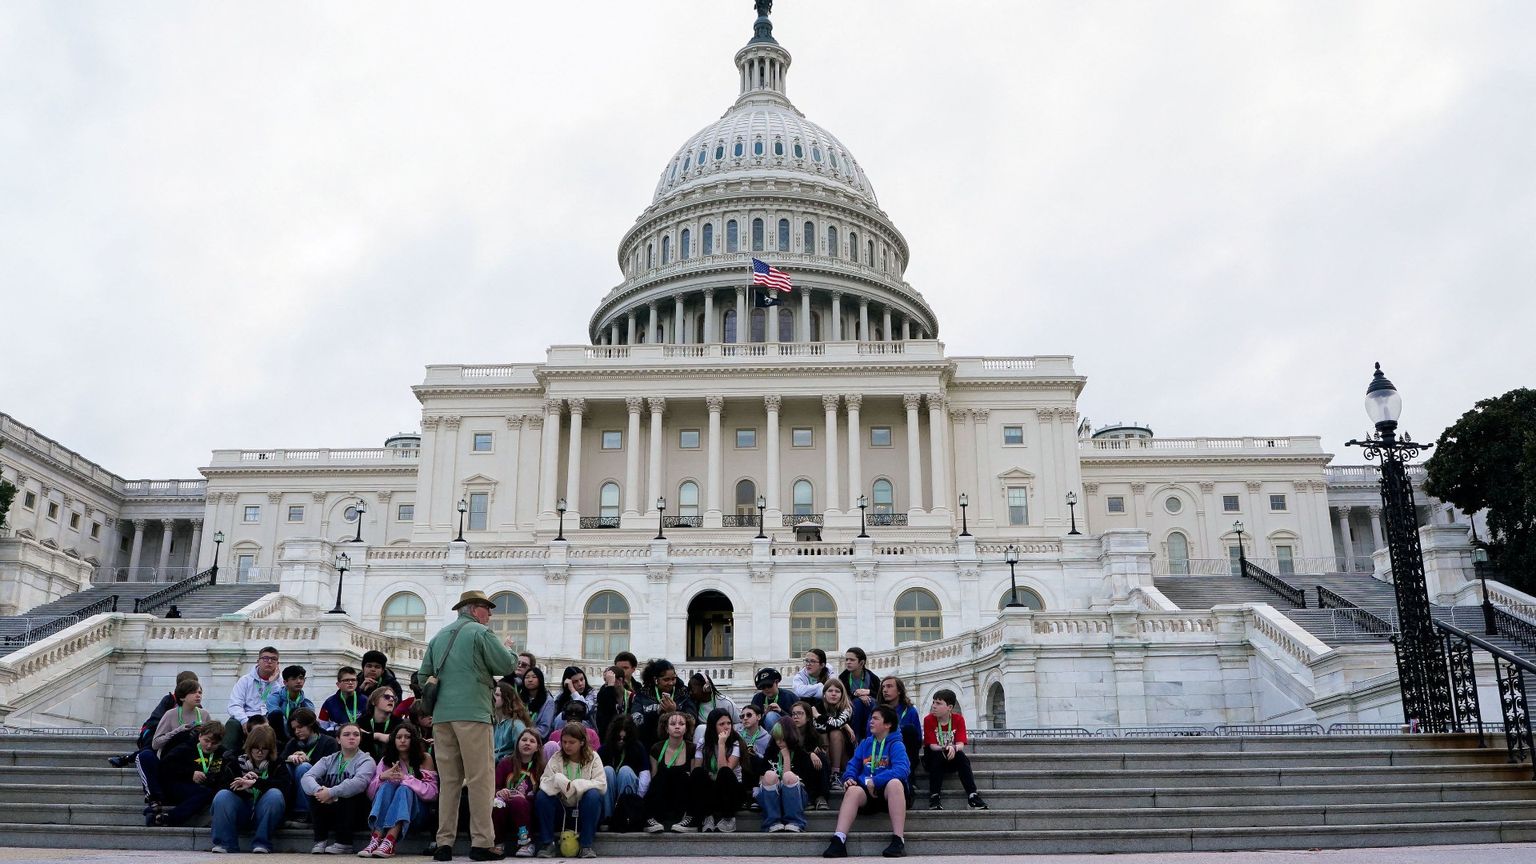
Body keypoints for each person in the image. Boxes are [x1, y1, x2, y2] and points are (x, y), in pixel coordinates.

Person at [417, 589, 516, 862]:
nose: (490, 614)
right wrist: (510, 648)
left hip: (442, 717)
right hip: (474, 714)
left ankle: (443, 843)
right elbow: (506, 664)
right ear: (474, 609)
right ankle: (482, 843)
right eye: (487, 608)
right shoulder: (480, 632)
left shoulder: (439, 636)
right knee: (480, 779)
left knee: (449, 781)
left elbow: (423, 676)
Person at [822, 705, 910, 859]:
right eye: (871, 718)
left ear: (888, 724)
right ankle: (839, 840)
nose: (871, 721)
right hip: (867, 794)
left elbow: (902, 769)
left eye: (875, 718)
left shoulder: (896, 744)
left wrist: (876, 781)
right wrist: (849, 778)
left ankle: (898, 840)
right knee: (852, 790)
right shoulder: (866, 743)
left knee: (895, 783)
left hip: (889, 794)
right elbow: (853, 765)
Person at [209, 724, 292, 854]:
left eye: (264, 749)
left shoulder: (277, 763)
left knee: (275, 794)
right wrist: (240, 783)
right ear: (249, 747)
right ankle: (225, 843)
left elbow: (285, 788)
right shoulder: (233, 760)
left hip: (264, 813)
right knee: (222, 795)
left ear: (270, 749)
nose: (259, 752)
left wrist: (255, 783)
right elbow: (220, 786)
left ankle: (262, 843)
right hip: (241, 811)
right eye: (256, 748)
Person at [363, 723, 440, 858]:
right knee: (386, 786)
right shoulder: (386, 760)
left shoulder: (425, 758)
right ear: (394, 740)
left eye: (407, 737)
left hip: (417, 816)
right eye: (399, 737)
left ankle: (390, 840)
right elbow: (371, 794)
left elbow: (433, 793)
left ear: (413, 739)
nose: (403, 740)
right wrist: (382, 777)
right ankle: (376, 838)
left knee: (405, 788)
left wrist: (406, 779)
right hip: (388, 814)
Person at [139, 677, 209, 823]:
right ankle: (154, 798)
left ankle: (166, 818)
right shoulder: (170, 714)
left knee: (205, 793)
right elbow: (155, 744)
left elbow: (211, 741)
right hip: (169, 764)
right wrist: (177, 731)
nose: (198, 695)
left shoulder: (204, 715)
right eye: (194, 692)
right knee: (145, 756)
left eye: (200, 692)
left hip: (191, 767)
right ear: (182, 697)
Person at [301, 722, 378, 854]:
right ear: (338, 739)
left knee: (348, 789)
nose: (352, 737)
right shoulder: (328, 759)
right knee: (316, 789)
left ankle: (344, 843)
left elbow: (359, 783)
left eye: (356, 735)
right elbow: (306, 777)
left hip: (357, 814)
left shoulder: (366, 760)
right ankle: (320, 840)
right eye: (346, 734)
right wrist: (319, 791)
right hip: (332, 810)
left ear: (360, 739)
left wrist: (331, 792)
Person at [533, 722, 606, 859]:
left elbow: (601, 784)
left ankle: (586, 846)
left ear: (582, 742)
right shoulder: (557, 757)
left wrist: (576, 785)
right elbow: (544, 782)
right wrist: (559, 780)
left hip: (584, 811)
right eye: (564, 742)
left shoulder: (593, 757)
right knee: (542, 796)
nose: (567, 746)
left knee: (593, 795)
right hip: (561, 811)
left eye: (572, 742)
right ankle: (547, 844)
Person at [110, 670, 198, 769]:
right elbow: (155, 722)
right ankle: (126, 759)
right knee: (157, 744)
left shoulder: (197, 707)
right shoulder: (169, 700)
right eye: (191, 689)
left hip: (179, 737)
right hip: (155, 733)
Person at [922, 689, 987, 811]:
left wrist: (953, 747)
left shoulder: (958, 719)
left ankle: (972, 795)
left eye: (938, 703)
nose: (934, 706)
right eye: (933, 702)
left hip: (951, 757)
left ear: (949, 707)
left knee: (962, 757)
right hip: (933, 758)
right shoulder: (928, 719)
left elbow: (960, 744)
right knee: (937, 755)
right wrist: (945, 748)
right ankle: (934, 796)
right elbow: (932, 746)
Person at [155, 720, 226, 827]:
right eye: (206, 741)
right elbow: (165, 767)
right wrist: (190, 774)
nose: (209, 746)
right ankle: (169, 818)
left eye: (214, 743)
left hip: (205, 789)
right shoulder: (185, 748)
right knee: (205, 793)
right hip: (179, 786)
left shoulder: (223, 753)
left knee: (213, 793)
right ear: (200, 736)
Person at [756, 710, 816, 832]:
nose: (779, 742)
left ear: (790, 736)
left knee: (788, 776)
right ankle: (772, 822)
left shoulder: (801, 754)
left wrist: (787, 757)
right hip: (771, 795)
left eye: (783, 739)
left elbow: (793, 783)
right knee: (769, 775)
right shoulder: (771, 751)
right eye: (777, 739)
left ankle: (795, 822)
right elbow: (762, 778)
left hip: (795, 797)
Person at [687, 708, 743, 833]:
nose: (726, 727)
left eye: (729, 723)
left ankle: (728, 819)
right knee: (698, 773)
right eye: (721, 724)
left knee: (725, 772)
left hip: (731, 791)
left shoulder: (735, 743)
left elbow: (724, 769)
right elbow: (697, 769)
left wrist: (722, 744)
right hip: (712, 789)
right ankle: (707, 817)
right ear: (713, 726)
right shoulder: (703, 742)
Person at [280, 707, 338, 822]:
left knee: (304, 767)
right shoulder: (293, 743)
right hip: (296, 784)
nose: (297, 731)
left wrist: (309, 760)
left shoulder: (329, 742)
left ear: (310, 725)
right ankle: (285, 810)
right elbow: (277, 764)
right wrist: (289, 758)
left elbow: (330, 770)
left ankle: (303, 812)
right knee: (285, 767)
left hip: (320, 786)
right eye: (294, 728)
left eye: (300, 727)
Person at [493, 728, 544, 856]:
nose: (527, 743)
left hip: (527, 806)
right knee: (497, 803)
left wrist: (525, 797)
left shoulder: (541, 767)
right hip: (505, 803)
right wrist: (500, 792)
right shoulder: (505, 763)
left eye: (532, 741)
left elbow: (542, 793)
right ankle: (498, 843)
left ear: (537, 747)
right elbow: (493, 787)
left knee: (518, 802)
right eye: (524, 740)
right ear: (517, 744)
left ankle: (526, 843)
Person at [225, 645, 282, 760]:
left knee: (278, 720)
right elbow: (234, 705)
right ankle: (227, 758)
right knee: (232, 724)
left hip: (268, 717)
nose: (269, 662)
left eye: (273, 659)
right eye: (265, 658)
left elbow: (279, 702)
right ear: (258, 661)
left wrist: (272, 682)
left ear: (277, 663)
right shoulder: (245, 680)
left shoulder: (280, 683)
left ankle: (276, 760)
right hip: (247, 717)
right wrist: (244, 721)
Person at [641, 711, 693, 833]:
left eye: (681, 724)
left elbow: (694, 778)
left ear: (686, 728)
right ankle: (651, 818)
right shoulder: (656, 748)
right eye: (673, 724)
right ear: (666, 728)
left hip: (682, 796)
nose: (677, 727)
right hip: (663, 797)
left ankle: (686, 818)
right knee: (661, 776)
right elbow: (654, 779)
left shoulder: (692, 748)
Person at [868, 676, 922, 776]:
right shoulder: (876, 711)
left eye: (889, 686)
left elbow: (918, 740)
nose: (885, 690)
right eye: (883, 687)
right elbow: (869, 733)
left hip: (903, 751)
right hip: (881, 749)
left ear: (899, 691)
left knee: (909, 730)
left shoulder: (910, 711)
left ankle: (908, 775)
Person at [599, 714, 647, 824]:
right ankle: (607, 817)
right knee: (607, 771)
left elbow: (645, 775)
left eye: (624, 739)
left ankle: (625, 814)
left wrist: (639, 798)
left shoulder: (638, 748)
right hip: (608, 793)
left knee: (625, 771)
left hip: (630, 791)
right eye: (618, 738)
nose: (621, 741)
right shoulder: (604, 749)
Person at [638, 659, 694, 751]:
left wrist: (674, 712)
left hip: (679, 746)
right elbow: (636, 720)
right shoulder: (643, 694)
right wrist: (657, 712)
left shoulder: (683, 693)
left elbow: (692, 719)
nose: (671, 683)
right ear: (656, 679)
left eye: (673, 679)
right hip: (649, 745)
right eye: (666, 679)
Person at [786, 700, 831, 810]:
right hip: (792, 768)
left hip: (811, 770)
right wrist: (809, 754)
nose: (795, 717)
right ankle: (809, 797)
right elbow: (792, 753)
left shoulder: (814, 735)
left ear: (808, 717)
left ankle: (821, 797)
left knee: (821, 757)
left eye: (800, 713)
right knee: (808, 759)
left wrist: (815, 753)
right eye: (793, 714)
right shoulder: (787, 733)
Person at [816, 679, 858, 777]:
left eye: (837, 691)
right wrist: (843, 725)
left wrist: (819, 716)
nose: (833, 694)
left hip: (845, 750)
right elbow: (817, 727)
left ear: (842, 694)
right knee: (823, 734)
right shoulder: (818, 706)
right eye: (830, 691)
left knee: (835, 732)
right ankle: (826, 772)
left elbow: (836, 723)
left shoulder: (847, 708)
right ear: (824, 694)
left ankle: (835, 773)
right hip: (824, 747)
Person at [838, 648, 881, 742]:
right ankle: (856, 739)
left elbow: (880, 695)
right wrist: (857, 695)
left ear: (861, 663)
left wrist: (868, 692)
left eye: (852, 660)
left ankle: (871, 738)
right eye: (847, 659)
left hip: (869, 708)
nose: (848, 662)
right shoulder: (843, 677)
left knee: (871, 701)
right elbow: (842, 696)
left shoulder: (873, 678)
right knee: (857, 702)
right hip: (850, 710)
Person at [593, 652, 640, 737]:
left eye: (625, 668)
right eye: (618, 668)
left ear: (633, 669)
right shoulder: (604, 691)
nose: (622, 671)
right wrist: (609, 687)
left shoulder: (638, 689)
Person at [265, 664, 314, 745]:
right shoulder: (273, 698)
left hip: (299, 736)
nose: (299, 681)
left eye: (301, 678)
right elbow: (276, 720)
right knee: (276, 715)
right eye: (294, 678)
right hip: (278, 736)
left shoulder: (307, 703)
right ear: (285, 682)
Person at [735, 704, 772, 799]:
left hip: (757, 771)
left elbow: (768, 761)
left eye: (749, 715)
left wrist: (756, 753)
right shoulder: (736, 735)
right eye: (742, 716)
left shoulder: (767, 738)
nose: (745, 718)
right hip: (739, 769)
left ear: (758, 717)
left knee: (754, 758)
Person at [494, 680, 533, 761]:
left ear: (506, 698)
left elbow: (522, 752)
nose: (493, 698)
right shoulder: (495, 723)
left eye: (497, 695)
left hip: (506, 765)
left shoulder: (516, 725)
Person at [360, 688, 403, 760]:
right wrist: (377, 736)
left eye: (394, 698)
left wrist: (369, 735)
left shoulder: (400, 724)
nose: (391, 700)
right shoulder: (362, 722)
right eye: (386, 697)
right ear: (373, 701)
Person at [320, 666, 364, 732]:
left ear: (357, 683)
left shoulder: (365, 700)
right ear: (338, 684)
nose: (350, 682)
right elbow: (322, 727)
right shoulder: (329, 702)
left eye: (353, 680)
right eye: (346, 680)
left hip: (360, 736)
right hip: (336, 737)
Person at [750, 667, 792, 731]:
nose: (766, 689)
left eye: (769, 685)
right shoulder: (757, 698)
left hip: (786, 731)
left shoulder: (789, 696)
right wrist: (764, 715)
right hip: (763, 732)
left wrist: (780, 711)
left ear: (776, 682)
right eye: (763, 687)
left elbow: (796, 720)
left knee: (771, 716)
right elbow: (752, 720)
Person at [522, 667, 558, 739]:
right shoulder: (520, 698)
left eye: (534, 677)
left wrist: (525, 734)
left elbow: (544, 728)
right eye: (527, 677)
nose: (530, 680)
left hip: (537, 739)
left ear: (540, 680)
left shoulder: (548, 701)